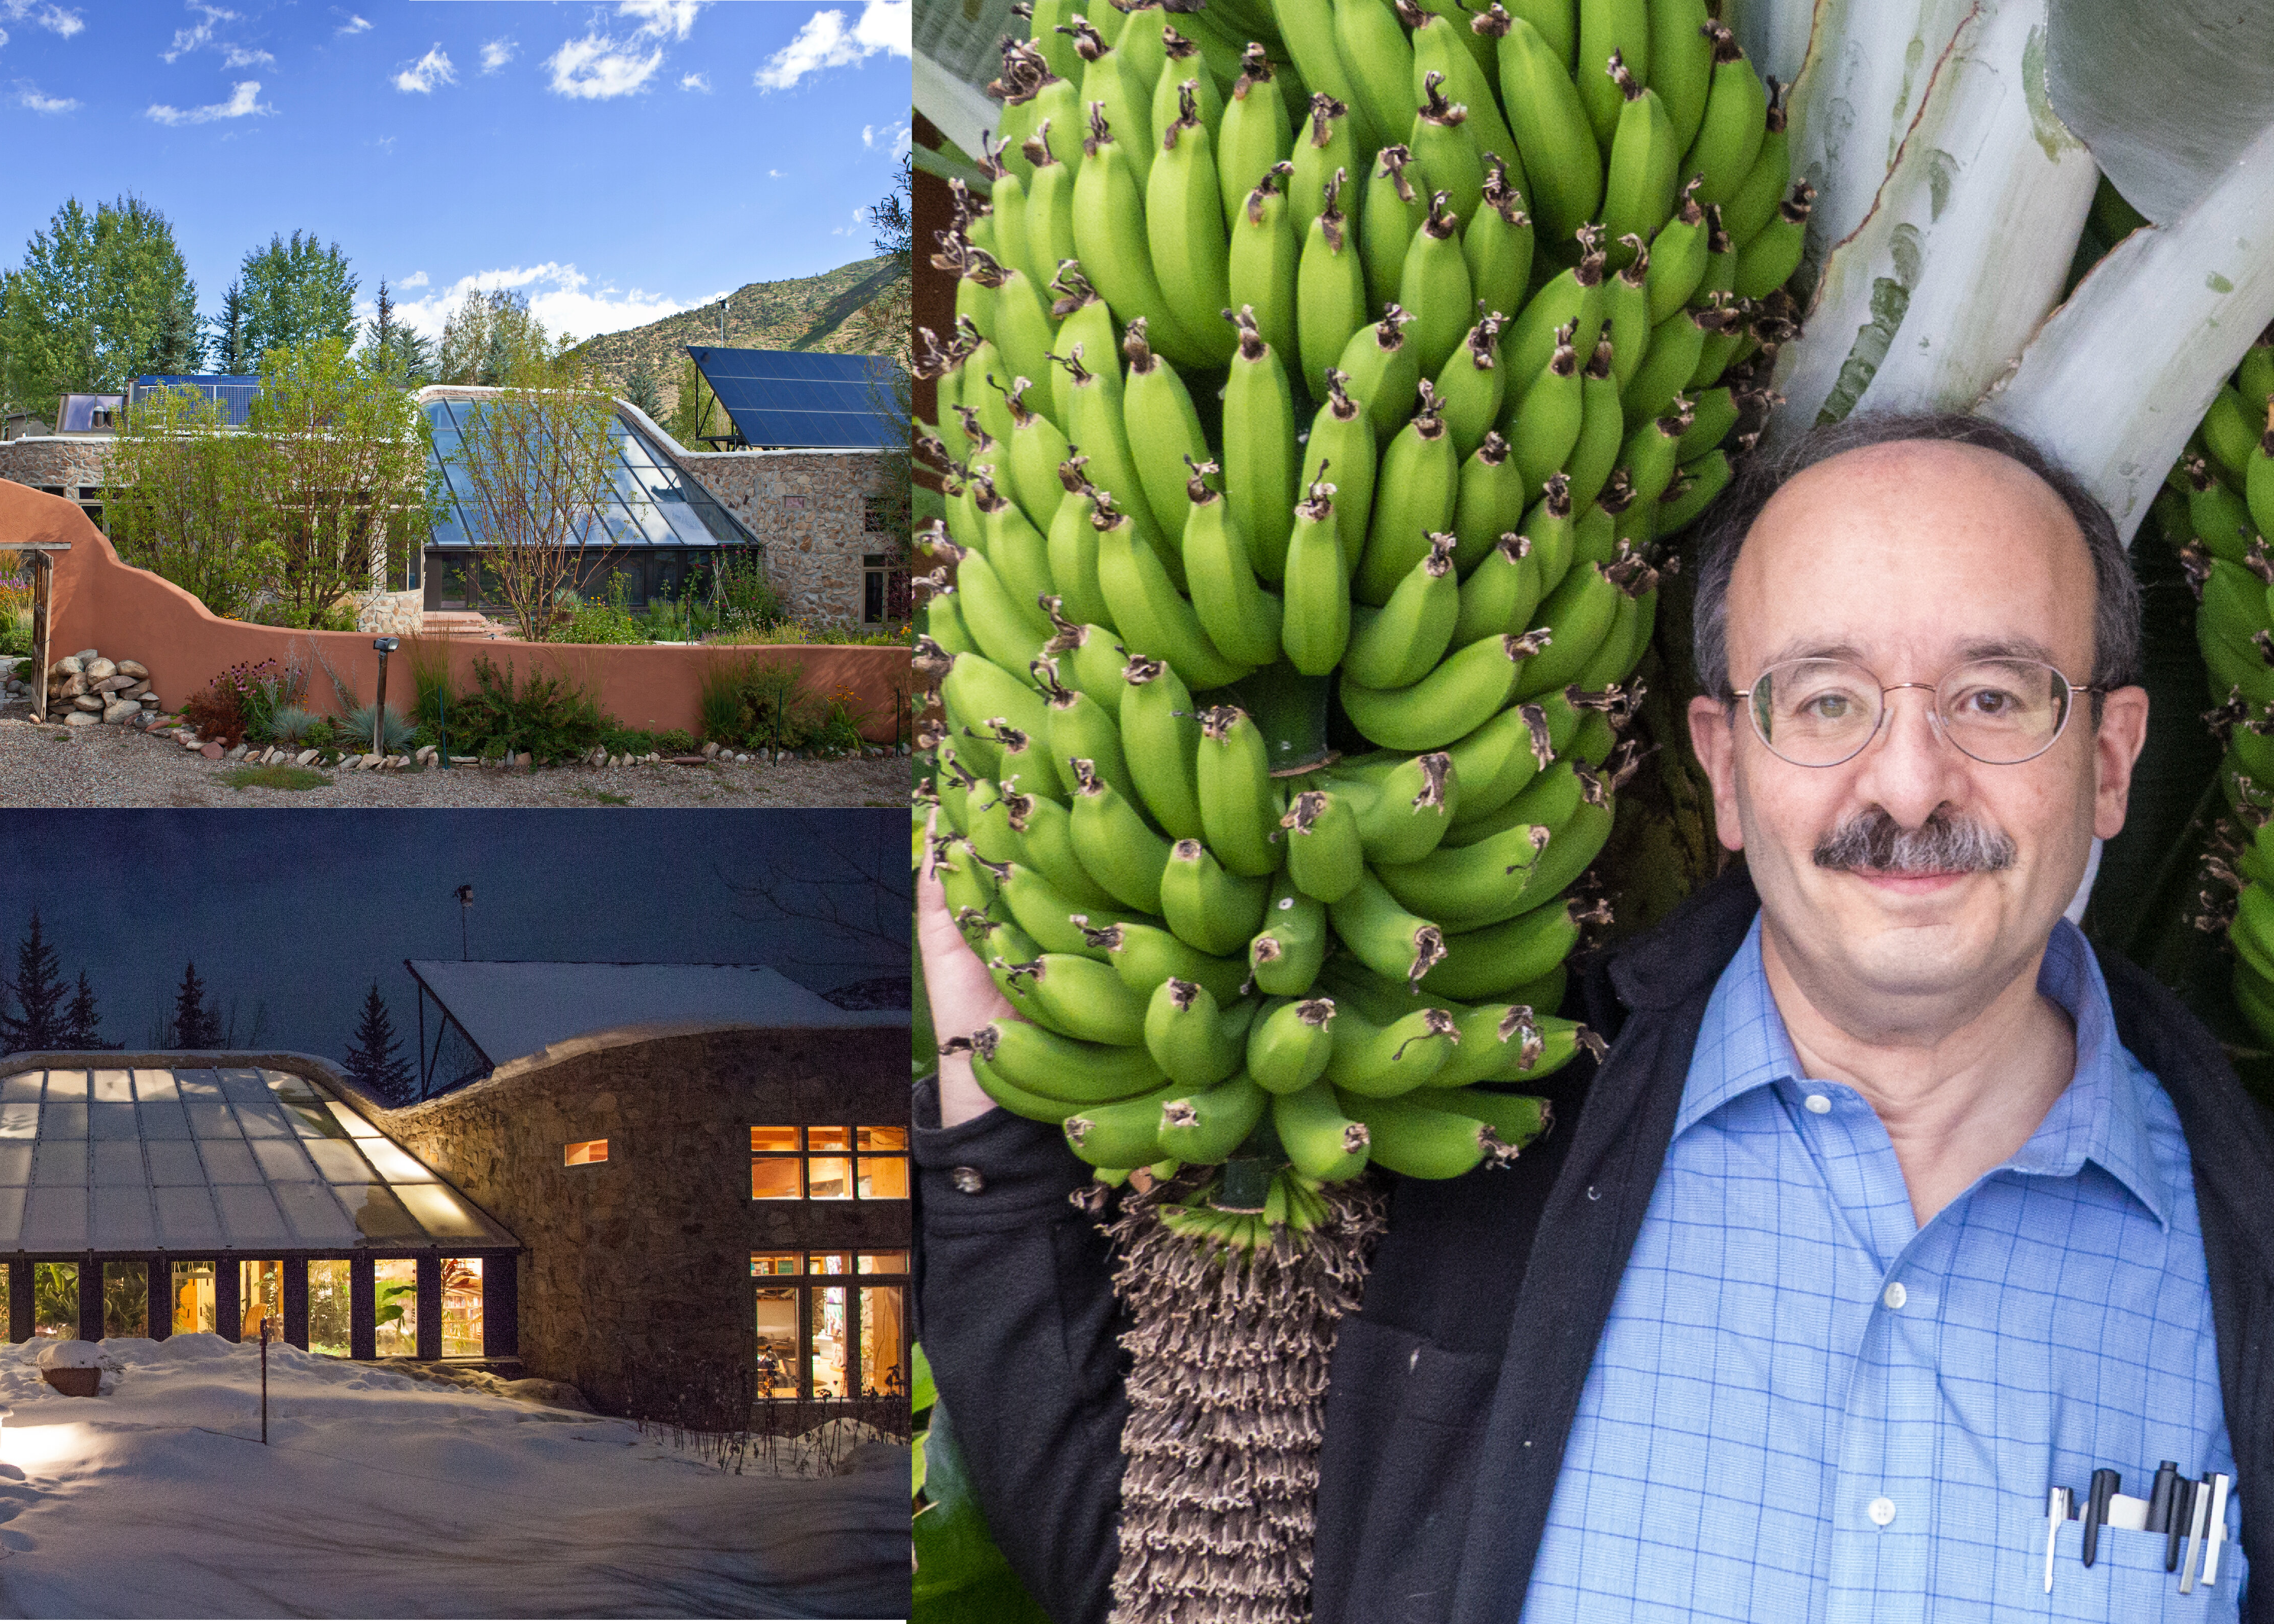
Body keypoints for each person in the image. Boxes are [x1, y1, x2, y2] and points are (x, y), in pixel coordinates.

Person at [913, 413, 2274, 1623]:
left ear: (2105, 759)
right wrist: (992, 1124)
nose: (1908, 784)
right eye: (1824, 703)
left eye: (1990, 699)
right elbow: (1187, 1576)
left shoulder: (2244, 1248)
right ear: (1722, 771)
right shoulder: (1468, 1138)